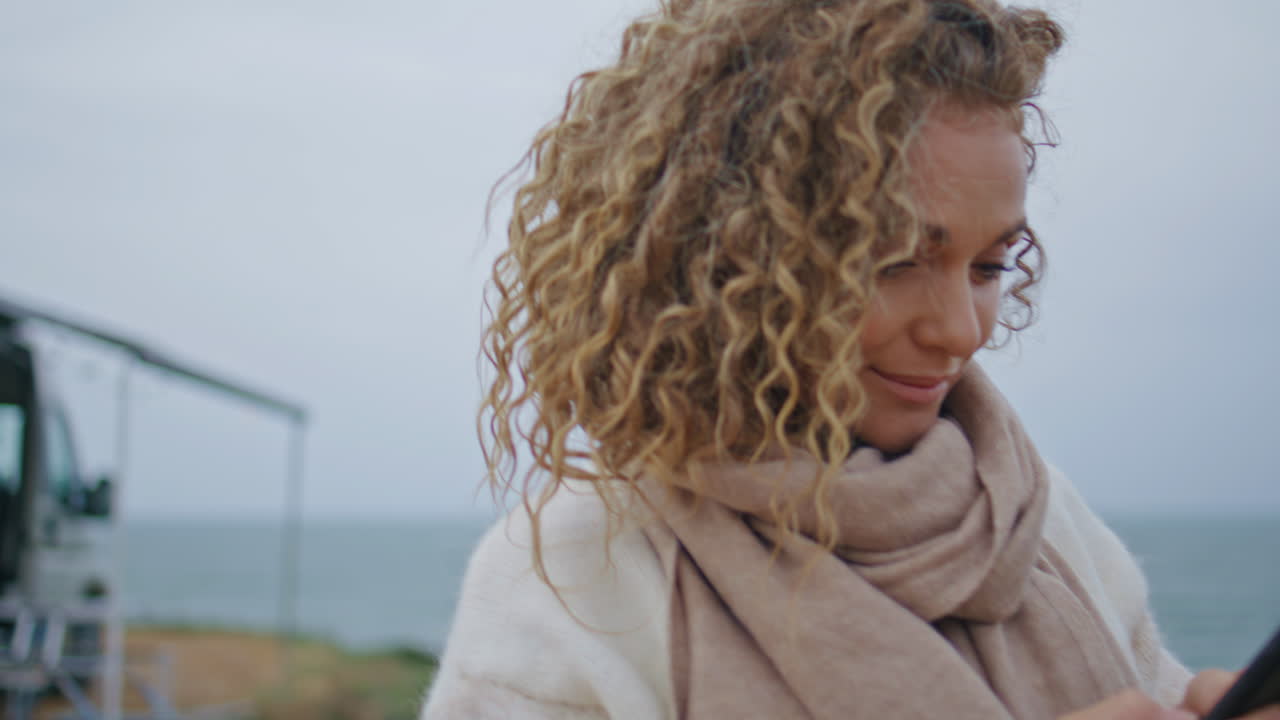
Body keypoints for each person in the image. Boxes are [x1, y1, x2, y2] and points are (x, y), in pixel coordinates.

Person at [423, 0, 1272, 718]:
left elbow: (1144, 685)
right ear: (727, 255)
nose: (961, 331)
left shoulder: (1033, 514)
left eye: (988, 266)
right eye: (894, 260)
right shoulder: (577, 577)